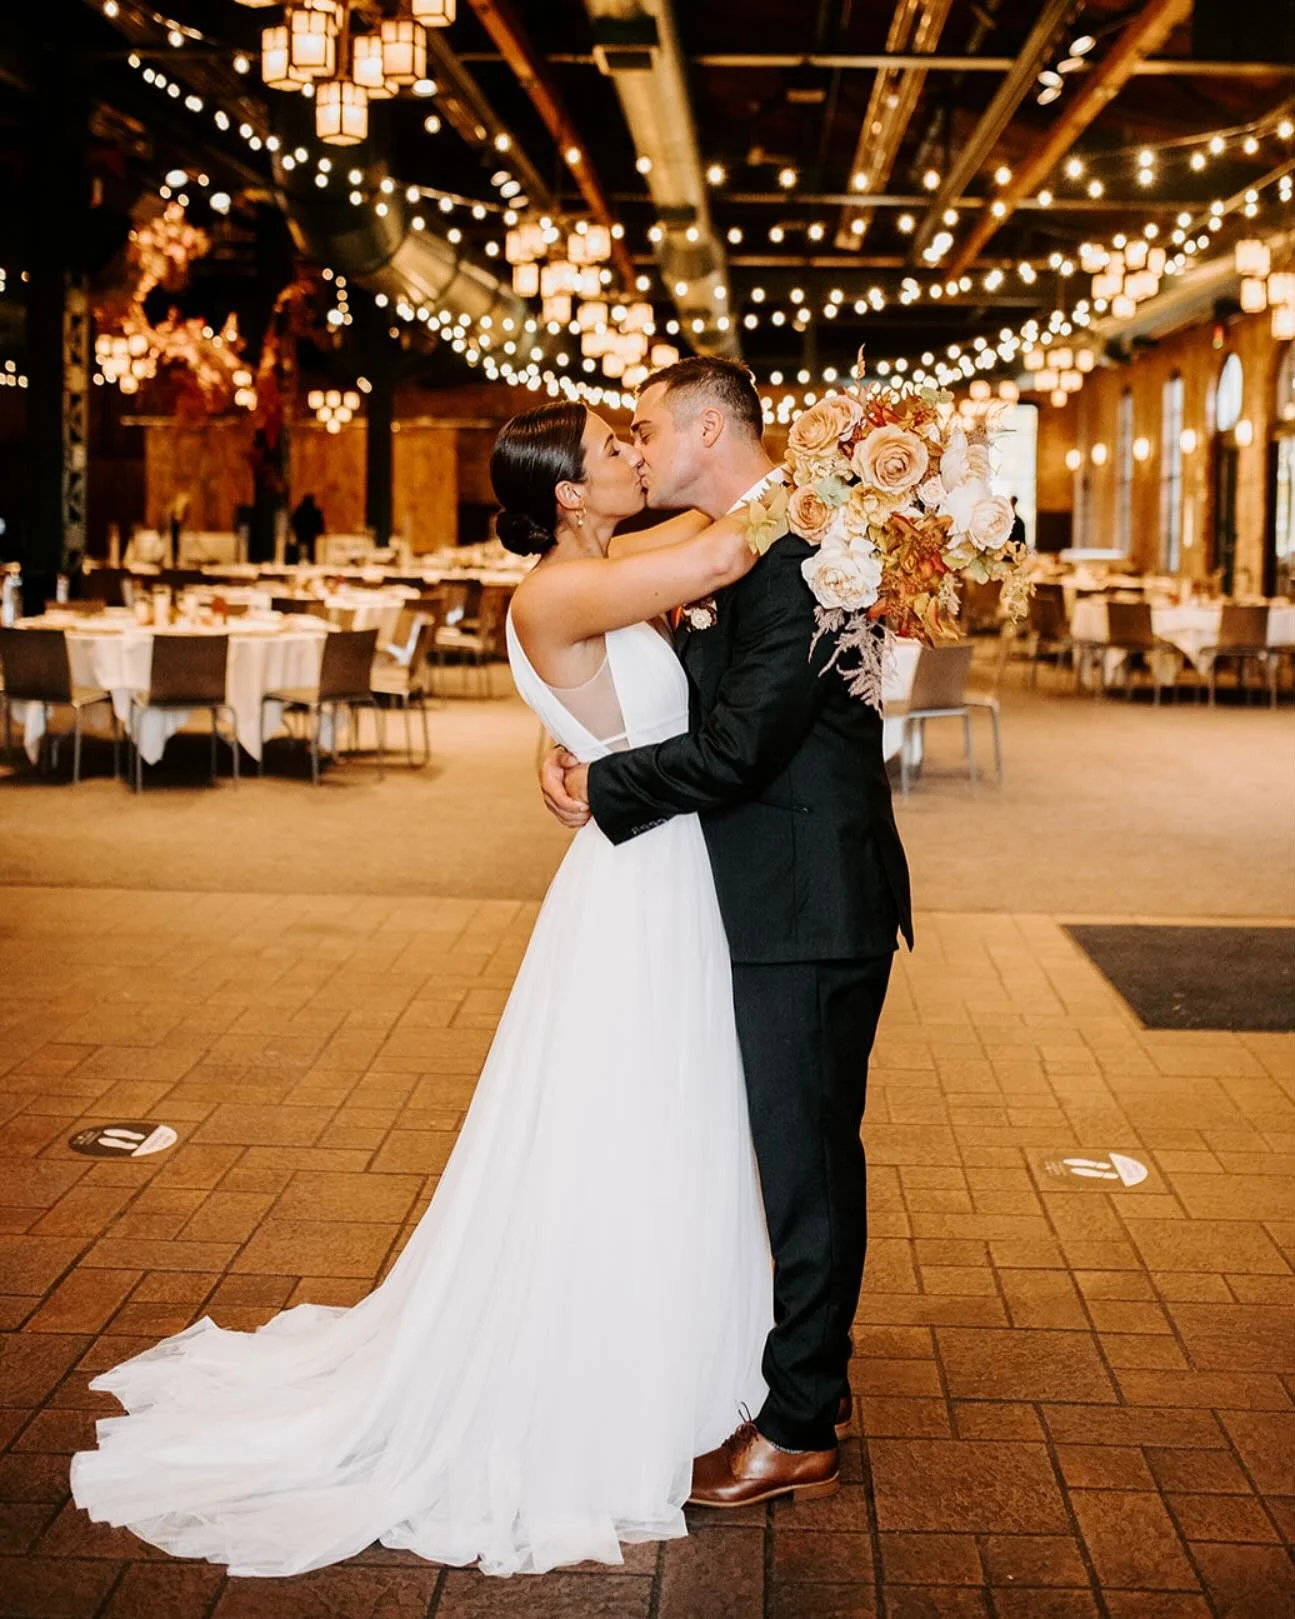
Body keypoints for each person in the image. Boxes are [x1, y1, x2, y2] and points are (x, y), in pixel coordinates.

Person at [69, 400, 776, 1578]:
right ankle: (607, 1371)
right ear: (563, 489)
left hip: (657, 868)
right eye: (615, 448)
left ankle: (682, 1353)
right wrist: (860, 469)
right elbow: (723, 545)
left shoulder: (598, 567)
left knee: (670, 1117)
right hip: (638, 884)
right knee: (630, 1123)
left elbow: (697, 546)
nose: (635, 456)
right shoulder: (554, 590)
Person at [541, 356, 912, 1508]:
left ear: (709, 429)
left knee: (803, 1163)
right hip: (777, 889)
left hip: (806, 896)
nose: (639, 447)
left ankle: (797, 1420)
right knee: (800, 1151)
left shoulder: (802, 552)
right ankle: (816, 1371)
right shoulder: (746, 538)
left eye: (648, 427)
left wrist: (603, 791)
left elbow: (744, 745)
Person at [289, 492, 326, 565]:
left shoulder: (300, 511)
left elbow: (293, 522)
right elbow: (320, 527)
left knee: (303, 554)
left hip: (303, 537)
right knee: (307, 554)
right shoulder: (315, 512)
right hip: (308, 538)